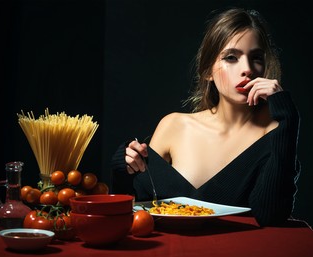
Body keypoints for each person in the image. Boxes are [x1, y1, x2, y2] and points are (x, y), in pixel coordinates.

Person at [110, 8, 300, 226]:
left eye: (256, 58)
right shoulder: (173, 125)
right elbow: (134, 209)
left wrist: (287, 119)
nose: (247, 69)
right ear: (208, 71)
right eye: (231, 57)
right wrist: (124, 166)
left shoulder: (275, 131)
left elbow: (272, 217)